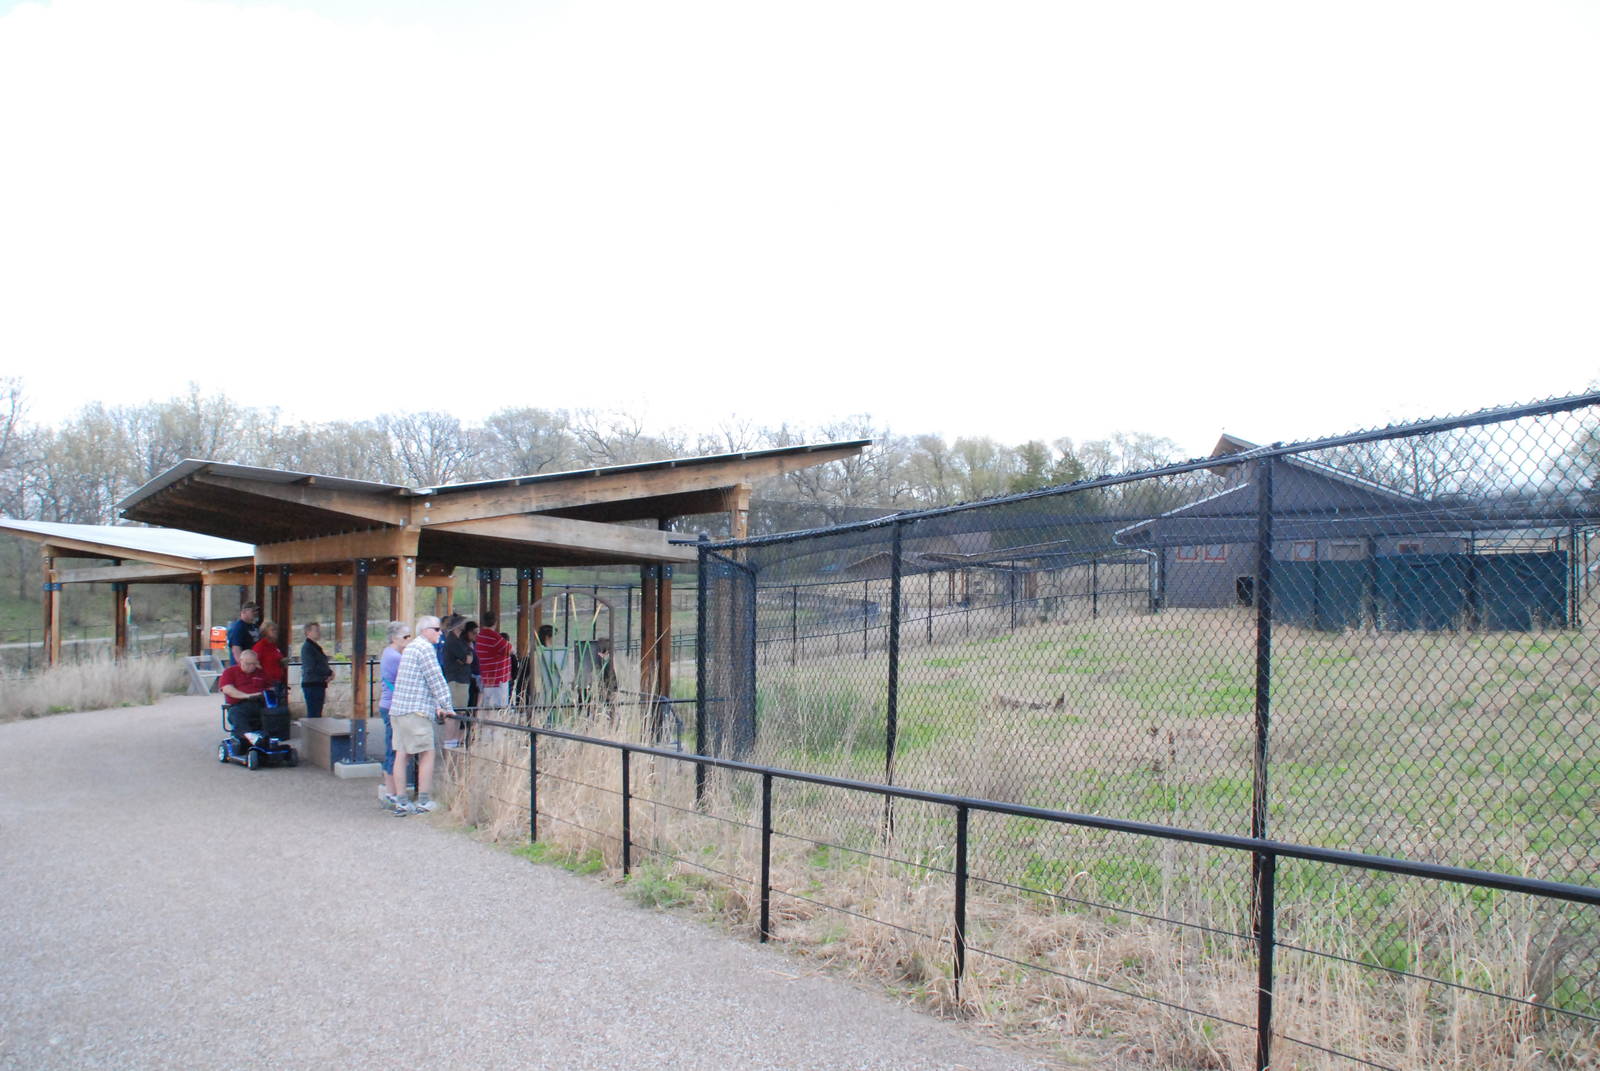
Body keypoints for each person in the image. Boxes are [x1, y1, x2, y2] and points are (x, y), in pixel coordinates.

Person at [388, 615, 453, 815]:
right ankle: (424, 800)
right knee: (427, 752)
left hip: (399, 710)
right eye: (437, 629)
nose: (440, 633)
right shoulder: (425, 649)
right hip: (415, 711)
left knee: (402, 754)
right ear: (425, 630)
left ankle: (401, 800)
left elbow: (420, 682)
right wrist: (447, 705)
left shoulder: (411, 648)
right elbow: (435, 679)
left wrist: (437, 704)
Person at [219, 649, 287, 751]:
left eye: (253, 664)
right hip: (239, 704)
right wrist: (247, 696)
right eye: (248, 664)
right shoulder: (230, 672)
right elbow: (228, 689)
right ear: (241, 661)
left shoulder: (261, 673)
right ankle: (249, 737)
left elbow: (271, 687)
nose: (251, 666)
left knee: (277, 712)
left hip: (260, 703)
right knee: (236, 713)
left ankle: (272, 739)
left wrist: (270, 692)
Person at [377, 620, 411, 811]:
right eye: (405, 636)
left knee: (393, 747)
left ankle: (391, 789)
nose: (408, 640)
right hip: (392, 706)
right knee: (394, 748)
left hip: (387, 704)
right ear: (394, 638)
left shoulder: (389, 653)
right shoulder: (395, 657)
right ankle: (392, 791)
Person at [440, 613, 473, 745]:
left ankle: (454, 740)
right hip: (456, 680)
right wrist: (465, 658)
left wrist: (466, 658)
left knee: (460, 712)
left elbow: (469, 655)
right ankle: (450, 740)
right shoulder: (452, 641)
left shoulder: (460, 640)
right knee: (454, 712)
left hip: (462, 679)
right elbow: (468, 659)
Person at [474, 611, 513, 707]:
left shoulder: (479, 636)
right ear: (495, 622)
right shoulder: (494, 637)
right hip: (498, 680)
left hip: (486, 678)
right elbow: (510, 650)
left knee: (488, 708)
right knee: (499, 708)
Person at [299, 622, 333, 718]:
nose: (319, 633)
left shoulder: (314, 647)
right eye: (316, 630)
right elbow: (311, 667)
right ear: (308, 632)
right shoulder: (307, 647)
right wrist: (328, 672)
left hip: (317, 683)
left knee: (317, 713)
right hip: (312, 684)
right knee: (314, 714)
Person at [252, 622, 287, 705]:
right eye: (272, 630)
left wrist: (283, 661)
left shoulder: (274, 646)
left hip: (278, 681)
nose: (275, 632)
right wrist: (264, 676)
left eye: (276, 630)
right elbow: (254, 662)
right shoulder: (260, 646)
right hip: (267, 683)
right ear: (265, 632)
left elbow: (277, 660)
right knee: (271, 705)